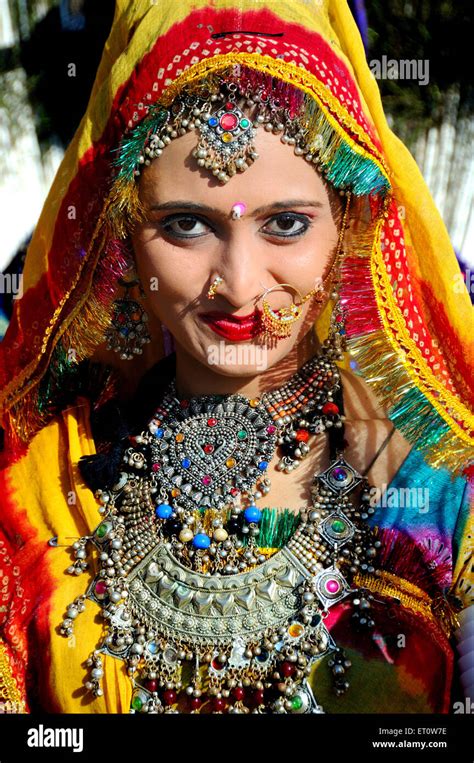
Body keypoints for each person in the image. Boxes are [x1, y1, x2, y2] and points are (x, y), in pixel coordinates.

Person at [0, 0, 471, 715]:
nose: (241, 286)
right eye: (186, 226)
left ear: (347, 225)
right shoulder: (40, 493)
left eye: (286, 224)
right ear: (122, 240)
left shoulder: (439, 498)